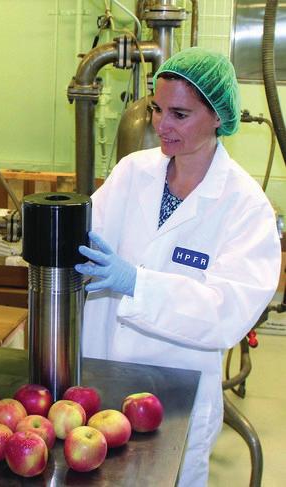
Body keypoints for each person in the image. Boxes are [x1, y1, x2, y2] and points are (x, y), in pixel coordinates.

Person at [75, 47, 281, 486]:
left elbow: (226, 313)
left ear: (218, 117)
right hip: (102, 375)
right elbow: (88, 240)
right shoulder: (132, 172)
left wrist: (138, 284)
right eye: (157, 109)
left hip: (174, 399)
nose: (161, 125)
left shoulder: (245, 207)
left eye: (180, 114)